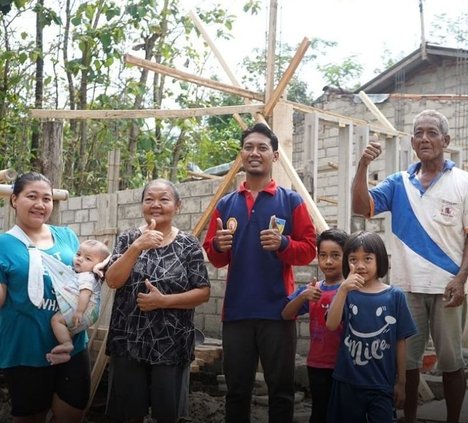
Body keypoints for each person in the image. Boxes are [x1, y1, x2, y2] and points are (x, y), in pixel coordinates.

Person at [351, 109, 468, 423]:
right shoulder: (399, 184)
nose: (425, 138)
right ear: (412, 141)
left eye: (432, 132)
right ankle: (408, 419)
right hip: (406, 289)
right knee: (407, 364)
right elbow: (361, 207)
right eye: (419, 132)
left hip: (448, 287)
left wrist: (462, 278)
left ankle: (453, 419)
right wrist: (363, 165)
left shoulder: (466, 182)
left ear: (445, 141)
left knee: (451, 362)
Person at [203, 122, 317, 423]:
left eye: (262, 147)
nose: (255, 153)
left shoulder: (291, 201)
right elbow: (215, 258)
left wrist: (283, 244)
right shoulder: (226, 204)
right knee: (236, 392)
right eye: (249, 147)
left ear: (275, 156)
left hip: (279, 312)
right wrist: (218, 244)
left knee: (280, 391)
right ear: (242, 155)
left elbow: (309, 249)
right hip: (237, 313)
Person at [104, 178, 210, 423]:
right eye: (149, 199)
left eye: (164, 199)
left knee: (166, 414)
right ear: (142, 204)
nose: (156, 204)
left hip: (171, 344)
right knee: (128, 414)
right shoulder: (128, 238)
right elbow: (112, 280)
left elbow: (203, 292)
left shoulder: (188, 244)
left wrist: (163, 301)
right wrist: (135, 248)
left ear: (178, 206)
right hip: (128, 340)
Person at [0, 172, 90, 423]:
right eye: (32, 196)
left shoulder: (67, 237)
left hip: (73, 345)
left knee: (73, 413)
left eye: (46, 199)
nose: (40, 205)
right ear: (14, 200)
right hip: (26, 349)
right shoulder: (3, 245)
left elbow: (85, 274)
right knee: (31, 416)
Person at [325, 231, 417, 423]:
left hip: (381, 384)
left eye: (367, 258)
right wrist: (342, 289)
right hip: (348, 382)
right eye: (353, 259)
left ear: (379, 260)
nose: (359, 265)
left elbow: (401, 342)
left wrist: (401, 382)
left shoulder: (395, 296)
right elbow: (331, 324)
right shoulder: (346, 293)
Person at [282, 228, 348, 423]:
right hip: (317, 364)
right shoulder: (313, 289)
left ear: (346, 258)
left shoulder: (351, 289)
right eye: (323, 255)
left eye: (335, 255)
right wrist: (303, 295)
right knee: (320, 411)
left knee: (344, 412)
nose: (328, 261)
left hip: (346, 365)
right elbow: (286, 314)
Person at [47, 239, 110, 365]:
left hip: (85, 310)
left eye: (88, 259)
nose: (80, 259)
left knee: (56, 321)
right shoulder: (90, 275)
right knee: (67, 330)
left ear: (99, 265)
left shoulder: (87, 276)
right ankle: (65, 354)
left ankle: (66, 344)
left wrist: (79, 312)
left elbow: (85, 293)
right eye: (78, 254)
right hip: (90, 313)